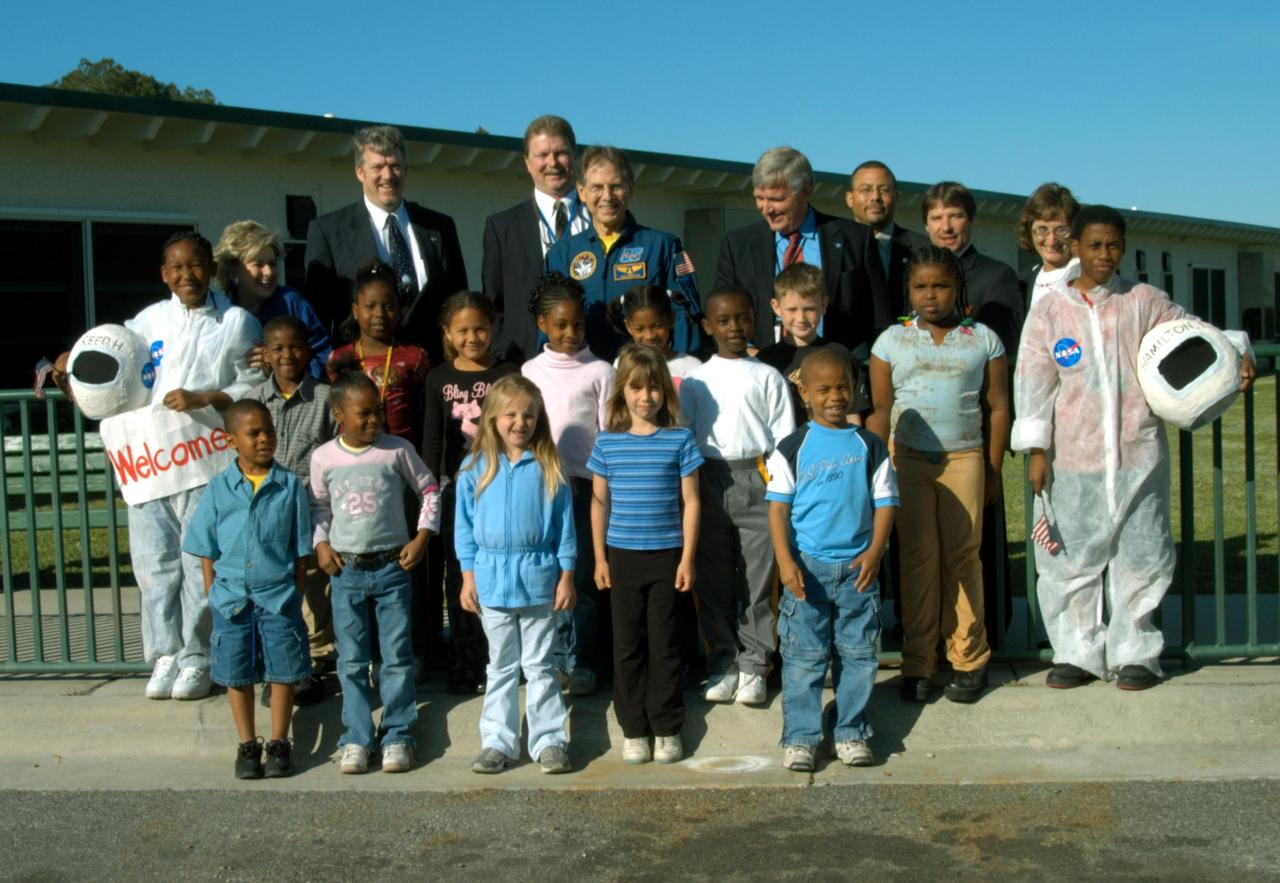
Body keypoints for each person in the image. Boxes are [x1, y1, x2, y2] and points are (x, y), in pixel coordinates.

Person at [1011, 205, 1254, 690]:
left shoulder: (1144, 300)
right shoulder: (1050, 310)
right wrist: (1037, 449)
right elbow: (1033, 382)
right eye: (1095, 245)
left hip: (1138, 453)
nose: (1105, 255)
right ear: (1075, 246)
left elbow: (1192, 332)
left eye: (1114, 245)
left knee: (1142, 555)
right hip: (1073, 458)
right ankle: (1077, 653)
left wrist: (1238, 351)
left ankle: (1135, 652)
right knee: (1069, 559)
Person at [52, 231, 261, 701]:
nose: (187, 275)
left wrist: (202, 397)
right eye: (177, 267)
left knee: (197, 562)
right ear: (164, 273)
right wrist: (69, 362)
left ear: (211, 267)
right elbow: (110, 355)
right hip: (149, 462)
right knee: (154, 565)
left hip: (203, 459)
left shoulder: (237, 322)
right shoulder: (146, 321)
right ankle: (164, 653)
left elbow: (249, 387)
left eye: (196, 265)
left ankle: (197, 656)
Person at [867, 246, 1010, 704]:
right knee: (917, 558)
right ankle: (919, 663)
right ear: (909, 291)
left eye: (941, 285)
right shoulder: (891, 341)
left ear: (957, 288)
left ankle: (968, 658)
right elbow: (881, 409)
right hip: (907, 460)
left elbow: (999, 407)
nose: (931, 295)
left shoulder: (983, 339)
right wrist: (878, 469)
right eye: (921, 286)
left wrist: (991, 469)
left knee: (963, 558)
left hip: (965, 458)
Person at [766, 348, 897, 772]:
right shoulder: (792, 447)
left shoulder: (870, 445)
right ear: (805, 393)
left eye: (843, 386)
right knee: (804, 657)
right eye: (823, 389)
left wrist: (875, 552)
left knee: (858, 656)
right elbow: (778, 510)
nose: (835, 396)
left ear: (855, 388)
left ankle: (850, 731)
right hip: (808, 570)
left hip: (859, 571)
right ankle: (801, 738)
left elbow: (885, 504)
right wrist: (786, 563)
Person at [310, 370, 441, 774]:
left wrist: (421, 537)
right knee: (350, 660)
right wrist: (321, 544)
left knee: (396, 657)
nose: (374, 421)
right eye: (363, 414)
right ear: (338, 415)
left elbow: (429, 490)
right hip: (345, 570)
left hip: (391, 569)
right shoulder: (323, 458)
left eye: (378, 412)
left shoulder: (397, 449)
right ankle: (357, 737)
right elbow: (319, 508)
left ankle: (398, 734)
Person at [182, 400, 313, 779]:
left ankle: (278, 743)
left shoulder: (289, 485)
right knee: (236, 673)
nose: (263, 439)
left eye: (268, 432)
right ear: (231, 440)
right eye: (253, 433)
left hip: (278, 595)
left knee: (283, 670)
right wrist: (212, 589)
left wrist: (296, 589)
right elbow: (205, 544)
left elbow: (300, 547)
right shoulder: (220, 488)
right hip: (231, 598)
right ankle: (247, 744)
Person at [679, 287, 795, 705]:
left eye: (742, 319)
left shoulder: (768, 376)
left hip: (756, 478)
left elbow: (783, 439)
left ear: (754, 321)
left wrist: (781, 492)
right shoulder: (695, 380)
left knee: (758, 577)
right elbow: (686, 436)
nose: (734, 328)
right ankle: (723, 664)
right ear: (708, 326)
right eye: (723, 321)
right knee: (712, 578)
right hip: (707, 480)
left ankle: (755, 663)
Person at [456, 375, 576, 775]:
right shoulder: (473, 468)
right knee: (501, 667)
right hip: (491, 584)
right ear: (492, 418)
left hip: (540, 581)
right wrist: (468, 577)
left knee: (541, 666)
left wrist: (567, 576)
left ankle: (549, 742)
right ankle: (498, 742)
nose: (519, 422)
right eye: (510, 414)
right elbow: (464, 529)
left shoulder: (549, 466)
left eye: (528, 415)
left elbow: (565, 528)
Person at [588, 345, 702, 765]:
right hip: (621, 556)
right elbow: (599, 503)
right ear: (622, 393)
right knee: (627, 645)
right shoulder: (607, 443)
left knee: (665, 643)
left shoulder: (680, 440)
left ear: (665, 393)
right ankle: (634, 729)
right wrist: (599, 558)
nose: (646, 397)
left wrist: (687, 558)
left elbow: (691, 502)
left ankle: (667, 725)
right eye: (636, 388)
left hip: (668, 556)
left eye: (654, 387)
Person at [923, 180, 1022, 642]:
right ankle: (927, 629)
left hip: (975, 425)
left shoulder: (996, 276)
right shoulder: (917, 273)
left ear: (970, 220)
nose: (946, 226)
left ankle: (988, 627)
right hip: (922, 428)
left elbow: (999, 358)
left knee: (977, 536)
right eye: (937, 217)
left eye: (955, 216)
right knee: (924, 542)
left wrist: (994, 455)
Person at [521, 273, 614, 695]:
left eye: (577, 324)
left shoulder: (600, 370)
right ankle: (552, 659)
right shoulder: (529, 370)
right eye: (561, 325)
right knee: (548, 576)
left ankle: (584, 662)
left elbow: (608, 432)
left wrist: (603, 487)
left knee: (583, 580)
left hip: (586, 490)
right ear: (543, 324)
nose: (571, 333)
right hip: (541, 488)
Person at [422, 291, 518, 694]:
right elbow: (431, 440)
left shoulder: (509, 373)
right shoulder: (438, 378)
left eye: (480, 328)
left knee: (499, 571)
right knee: (459, 574)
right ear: (447, 332)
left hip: (500, 485)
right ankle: (465, 660)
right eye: (462, 330)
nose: (472, 337)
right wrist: (431, 489)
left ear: (493, 327)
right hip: (455, 489)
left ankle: (502, 656)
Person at [303, 125, 467, 362]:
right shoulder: (328, 231)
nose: (388, 175)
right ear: (360, 172)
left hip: (433, 373)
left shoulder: (440, 226)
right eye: (378, 167)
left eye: (395, 166)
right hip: (361, 378)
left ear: (406, 170)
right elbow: (316, 316)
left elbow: (458, 302)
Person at [245, 316, 338, 706]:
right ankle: (279, 666)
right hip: (266, 514)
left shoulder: (325, 398)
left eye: (296, 346)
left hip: (310, 510)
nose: (287, 355)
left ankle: (314, 664)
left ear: (309, 350)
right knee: (272, 590)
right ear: (265, 354)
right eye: (278, 348)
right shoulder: (253, 403)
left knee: (312, 588)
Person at [715, 147, 878, 353]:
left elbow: (878, 318)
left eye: (776, 199)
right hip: (763, 367)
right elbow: (720, 312)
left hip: (835, 373)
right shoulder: (737, 245)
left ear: (806, 191)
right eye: (759, 198)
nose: (766, 208)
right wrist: (748, 353)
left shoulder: (856, 239)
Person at [545, 146, 701, 361]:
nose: (607, 196)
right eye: (597, 187)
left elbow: (687, 313)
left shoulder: (664, 246)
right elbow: (548, 321)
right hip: (584, 376)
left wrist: (681, 367)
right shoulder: (561, 255)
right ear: (581, 192)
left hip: (645, 378)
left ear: (630, 189)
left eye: (616, 186)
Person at [483, 115, 590, 363]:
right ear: (527, 163)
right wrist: (503, 356)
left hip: (591, 361)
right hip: (523, 363)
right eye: (542, 155)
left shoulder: (600, 218)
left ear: (575, 157)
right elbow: (493, 305)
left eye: (561, 153)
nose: (552, 163)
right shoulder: (501, 227)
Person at [327, 261, 429, 449]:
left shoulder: (416, 357)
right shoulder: (338, 358)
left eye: (388, 306)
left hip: (400, 452)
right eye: (370, 306)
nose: (379, 314)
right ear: (356, 311)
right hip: (352, 454)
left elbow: (423, 412)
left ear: (399, 311)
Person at [213, 220, 332, 378]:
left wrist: (280, 365)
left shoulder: (291, 303)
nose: (269, 272)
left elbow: (325, 358)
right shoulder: (219, 310)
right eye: (259, 264)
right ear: (233, 270)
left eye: (273, 264)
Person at [757, 263, 869, 424]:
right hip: (784, 447)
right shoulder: (766, 360)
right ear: (776, 307)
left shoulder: (840, 355)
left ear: (823, 305)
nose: (801, 318)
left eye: (809, 309)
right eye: (792, 309)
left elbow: (852, 415)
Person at [845, 160, 932, 333]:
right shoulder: (834, 247)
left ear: (897, 196)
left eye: (884, 190)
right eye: (865, 189)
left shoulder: (924, 249)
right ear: (849, 198)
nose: (875, 197)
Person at [607, 284, 703, 387]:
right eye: (640, 329)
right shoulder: (621, 365)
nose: (650, 336)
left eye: (658, 326)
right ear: (628, 326)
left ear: (671, 319)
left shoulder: (692, 367)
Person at [1018, 183, 1081, 310]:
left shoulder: (1085, 278)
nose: (1051, 240)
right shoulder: (1025, 281)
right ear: (1030, 231)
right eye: (1042, 229)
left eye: (1061, 230)